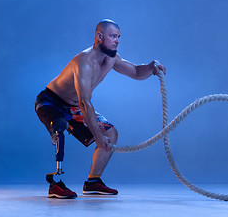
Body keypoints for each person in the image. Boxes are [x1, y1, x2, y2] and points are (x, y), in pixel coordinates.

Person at [35, 19, 166, 199]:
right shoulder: (84, 61)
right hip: (51, 102)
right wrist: (97, 135)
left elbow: (136, 71)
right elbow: (85, 102)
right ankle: (56, 183)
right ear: (99, 37)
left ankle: (93, 182)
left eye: (119, 37)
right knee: (59, 126)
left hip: (73, 106)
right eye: (113, 36)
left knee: (111, 134)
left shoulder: (112, 59)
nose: (118, 40)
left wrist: (152, 67)